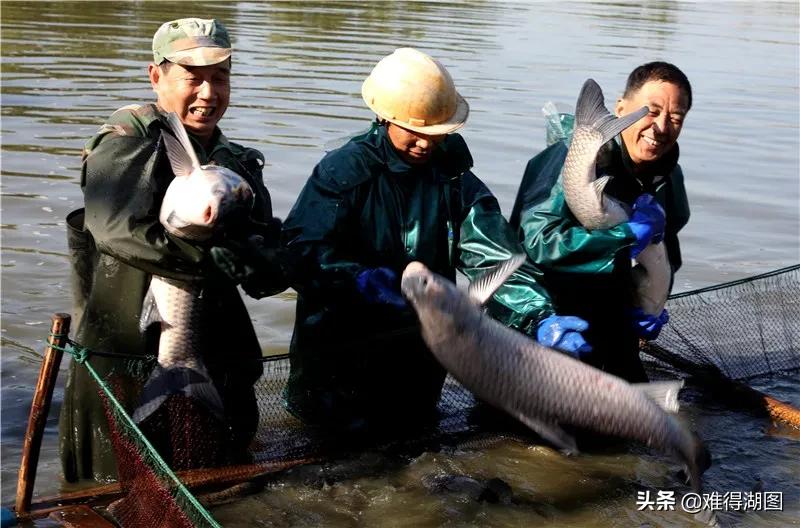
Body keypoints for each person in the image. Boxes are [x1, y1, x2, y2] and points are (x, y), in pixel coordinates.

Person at [281, 48, 589, 437]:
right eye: (415, 132)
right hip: (338, 361)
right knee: (333, 457)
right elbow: (301, 252)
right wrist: (355, 279)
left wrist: (539, 315)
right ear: (385, 118)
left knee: (412, 441)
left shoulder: (455, 181)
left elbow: (495, 259)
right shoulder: (343, 173)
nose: (426, 144)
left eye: (436, 133)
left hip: (418, 357)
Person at [59, 17, 285, 482]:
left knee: (219, 476)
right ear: (156, 76)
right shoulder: (127, 137)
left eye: (220, 77)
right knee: (113, 480)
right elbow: (115, 229)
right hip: (123, 340)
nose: (208, 93)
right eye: (192, 77)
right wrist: (207, 257)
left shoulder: (237, 164)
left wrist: (266, 261)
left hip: (210, 345)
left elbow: (264, 266)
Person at [509, 62, 692, 383]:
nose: (661, 127)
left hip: (615, 319)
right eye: (651, 111)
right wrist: (623, 237)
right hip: (550, 318)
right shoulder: (567, 158)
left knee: (635, 407)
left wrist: (650, 304)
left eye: (675, 118)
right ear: (620, 109)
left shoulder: (668, 175)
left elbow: (668, 253)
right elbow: (536, 242)